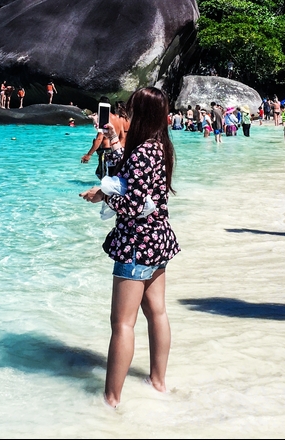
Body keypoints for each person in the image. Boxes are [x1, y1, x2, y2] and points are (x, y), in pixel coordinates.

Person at [79, 87, 180, 408]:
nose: (128, 116)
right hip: (158, 238)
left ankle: (110, 400)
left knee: (122, 324)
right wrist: (113, 140)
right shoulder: (160, 146)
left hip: (136, 243)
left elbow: (132, 204)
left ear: (141, 115)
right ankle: (158, 382)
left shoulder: (141, 152)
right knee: (157, 312)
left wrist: (102, 196)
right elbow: (129, 175)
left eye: (132, 111)